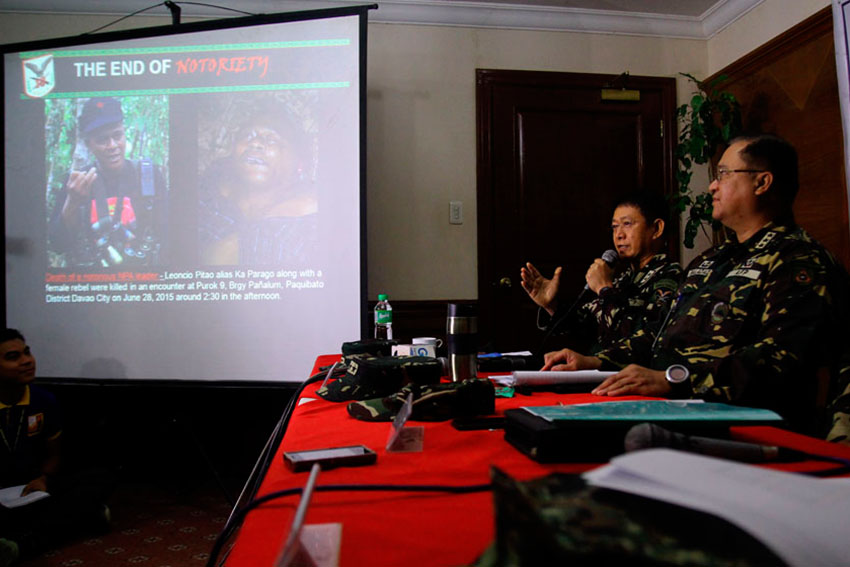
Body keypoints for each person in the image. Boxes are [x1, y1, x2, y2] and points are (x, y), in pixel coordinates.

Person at [542, 134, 849, 433]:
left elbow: (780, 361)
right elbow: (657, 335)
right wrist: (594, 361)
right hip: (670, 403)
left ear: (762, 182)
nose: (713, 185)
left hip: (735, 421)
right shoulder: (710, 260)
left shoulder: (798, 259)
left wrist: (675, 378)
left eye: (725, 174)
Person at [521, 192, 682, 355]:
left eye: (627, 224)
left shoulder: (670, 277)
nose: (619, 235)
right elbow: (586, 328)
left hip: (632, 375)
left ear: (656, 228)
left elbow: (637, 339)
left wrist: (605, 289)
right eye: (614, 227)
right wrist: (552, 305)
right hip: (599, 372)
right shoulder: (624, 278)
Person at [0, 329, 111, 566]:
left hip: (32, 488)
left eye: (27, 353)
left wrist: (44, 479)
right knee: (67, 509)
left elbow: (54, 454)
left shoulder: (43, 400)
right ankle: (82, 516)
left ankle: (20, 543)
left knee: (98, 477)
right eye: (13, 357)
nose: (27, 361)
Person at [48, 97, 168, 267]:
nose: (112, 145)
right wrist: (72, 202)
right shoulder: (76, 183)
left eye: (117, 135)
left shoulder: (149, 176)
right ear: (89, 145)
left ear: (124, 134)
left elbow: (169, 232)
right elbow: (58, 245)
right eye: (102, 139)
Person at [198, 101, 318, 265]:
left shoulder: (311, 224)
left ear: (299, 163)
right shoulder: (203, 200)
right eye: (247, 136)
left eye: (272, 139)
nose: (255, 143)